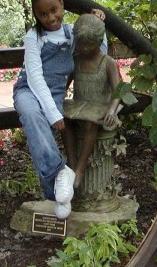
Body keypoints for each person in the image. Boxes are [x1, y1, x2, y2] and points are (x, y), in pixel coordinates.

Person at [12, 0, 106, 220]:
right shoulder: (33, 37)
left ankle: (60, 196)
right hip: (28, 88)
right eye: (43, 14)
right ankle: (61, 171)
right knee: (32, 114)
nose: (50, 18)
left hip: (55, 93)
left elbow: (97, 50)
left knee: (40, 132)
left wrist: (98, 25)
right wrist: (53, 113)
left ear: (62, 4)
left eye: (54, 10)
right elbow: (35, 76)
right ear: (36, 15)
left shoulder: (71, 34)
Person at [62, 14, 122, 188]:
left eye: (88, 44)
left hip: (99, 108)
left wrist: (111, 110)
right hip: (79, 106)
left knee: (90, 124)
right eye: (80, 43)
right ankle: (72, 162)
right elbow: (65, 86)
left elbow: (118, 91)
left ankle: (80, 168)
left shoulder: (107, 63)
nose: (83, 48)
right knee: (64, 120)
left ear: (99, 41)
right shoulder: (76, 59)